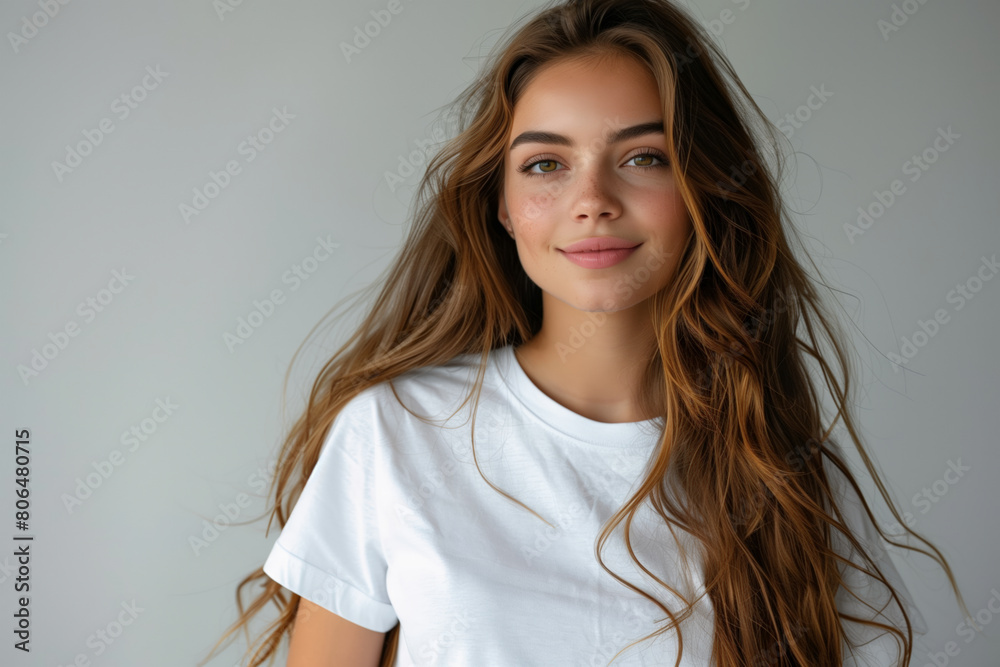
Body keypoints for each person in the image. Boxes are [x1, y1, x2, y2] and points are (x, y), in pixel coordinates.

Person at [201, 1, 971, 665]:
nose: (592, 199)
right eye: (545, 165)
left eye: (641, 156)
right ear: (501, 204)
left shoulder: (781, 470)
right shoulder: (392, 433)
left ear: (703, 187)